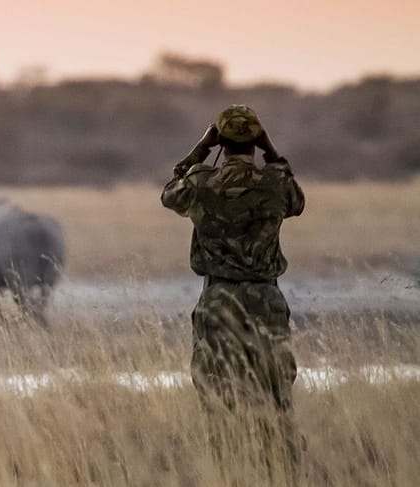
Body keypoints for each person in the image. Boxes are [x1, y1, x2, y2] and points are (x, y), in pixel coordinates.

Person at [161, 105, 305, 481]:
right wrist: (272, 152)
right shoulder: (275, 182)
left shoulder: (201, 183)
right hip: (266, 300)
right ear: (257, 140)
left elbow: (169, 194)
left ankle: (226, 473)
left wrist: (199, 151)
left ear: (220, 141)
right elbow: (297, 202)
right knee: (276, 397)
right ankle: (281, 473)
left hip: (218, 299)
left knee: (217, 397)